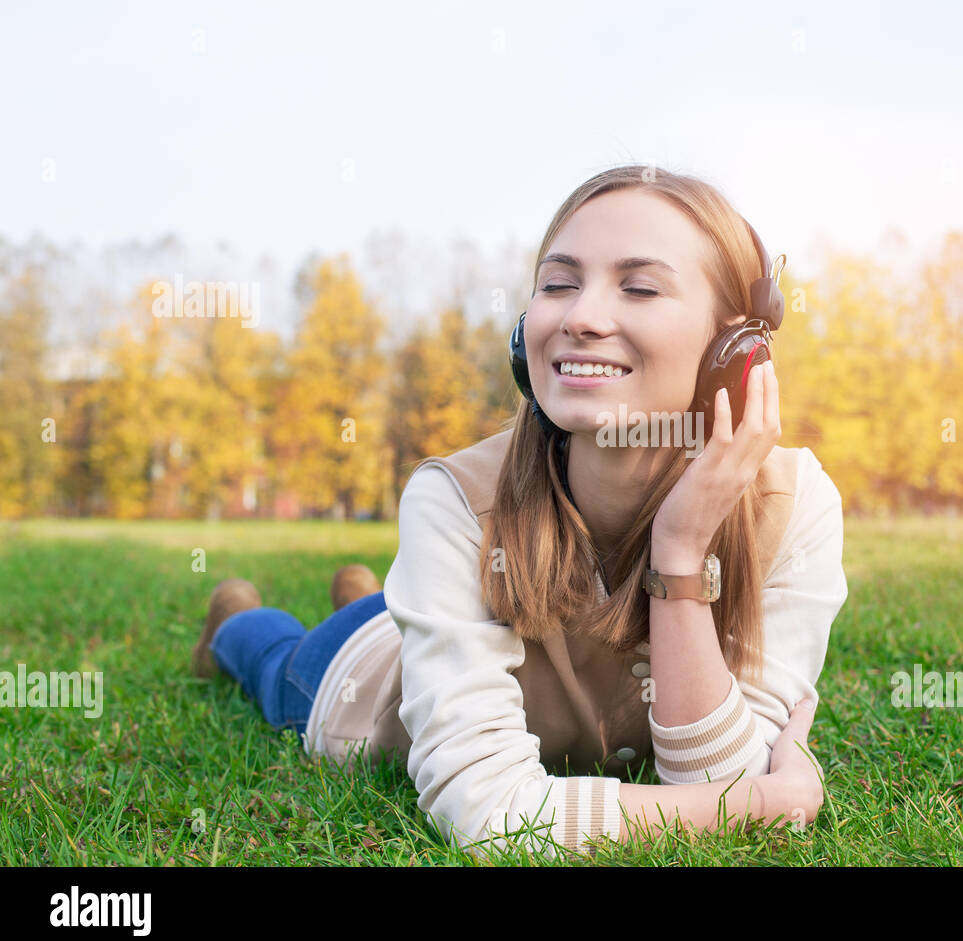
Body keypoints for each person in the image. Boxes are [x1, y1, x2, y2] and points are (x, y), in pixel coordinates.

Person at [192, 163, 849, 860]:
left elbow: (716, 777)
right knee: (276, 659)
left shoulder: (794, 502)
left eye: (640, 287)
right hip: (357, 676)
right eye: (558, 284)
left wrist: (680, 552)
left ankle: (377, 594)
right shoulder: (452, 498)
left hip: (444, 622)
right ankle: (235, 621)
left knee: (402, 604)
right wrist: (763, 804)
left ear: (736, 350)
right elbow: (492, 816)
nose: (580, 317)